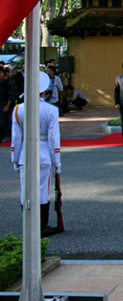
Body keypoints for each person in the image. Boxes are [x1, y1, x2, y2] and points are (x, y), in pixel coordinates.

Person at [11, 70, 61, 236]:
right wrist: (57, 162)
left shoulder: (18, 110)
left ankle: (28, 223)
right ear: (45, 91)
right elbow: (53, 139)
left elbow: (16, 138)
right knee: (42, 190)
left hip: (24, 154)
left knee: (25, 190)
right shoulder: (51, 110)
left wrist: (14, 158)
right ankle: (41, 225)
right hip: (44, 154)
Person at [0, 68, 15, 143]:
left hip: (4, 104)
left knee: (3, 122)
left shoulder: (8, 82)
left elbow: (10, 95)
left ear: (3, 73)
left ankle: (4, 136)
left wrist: (7, 106)